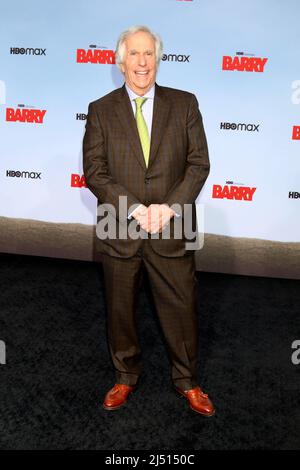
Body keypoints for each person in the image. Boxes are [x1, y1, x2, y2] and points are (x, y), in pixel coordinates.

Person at [83, 25, 214, 416]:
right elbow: (95, 171)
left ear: (158, 60)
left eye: (149, 54)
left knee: (181, 305)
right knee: (120, 307)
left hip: (173, 223)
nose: (142, 62)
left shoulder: (185, 104)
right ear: (121, 62)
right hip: (119, 225)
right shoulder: (100, 110)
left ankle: (188, 381)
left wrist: (169, 207)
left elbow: (198, 163)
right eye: (135, 55)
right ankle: (124, 376)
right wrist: (138, 208)